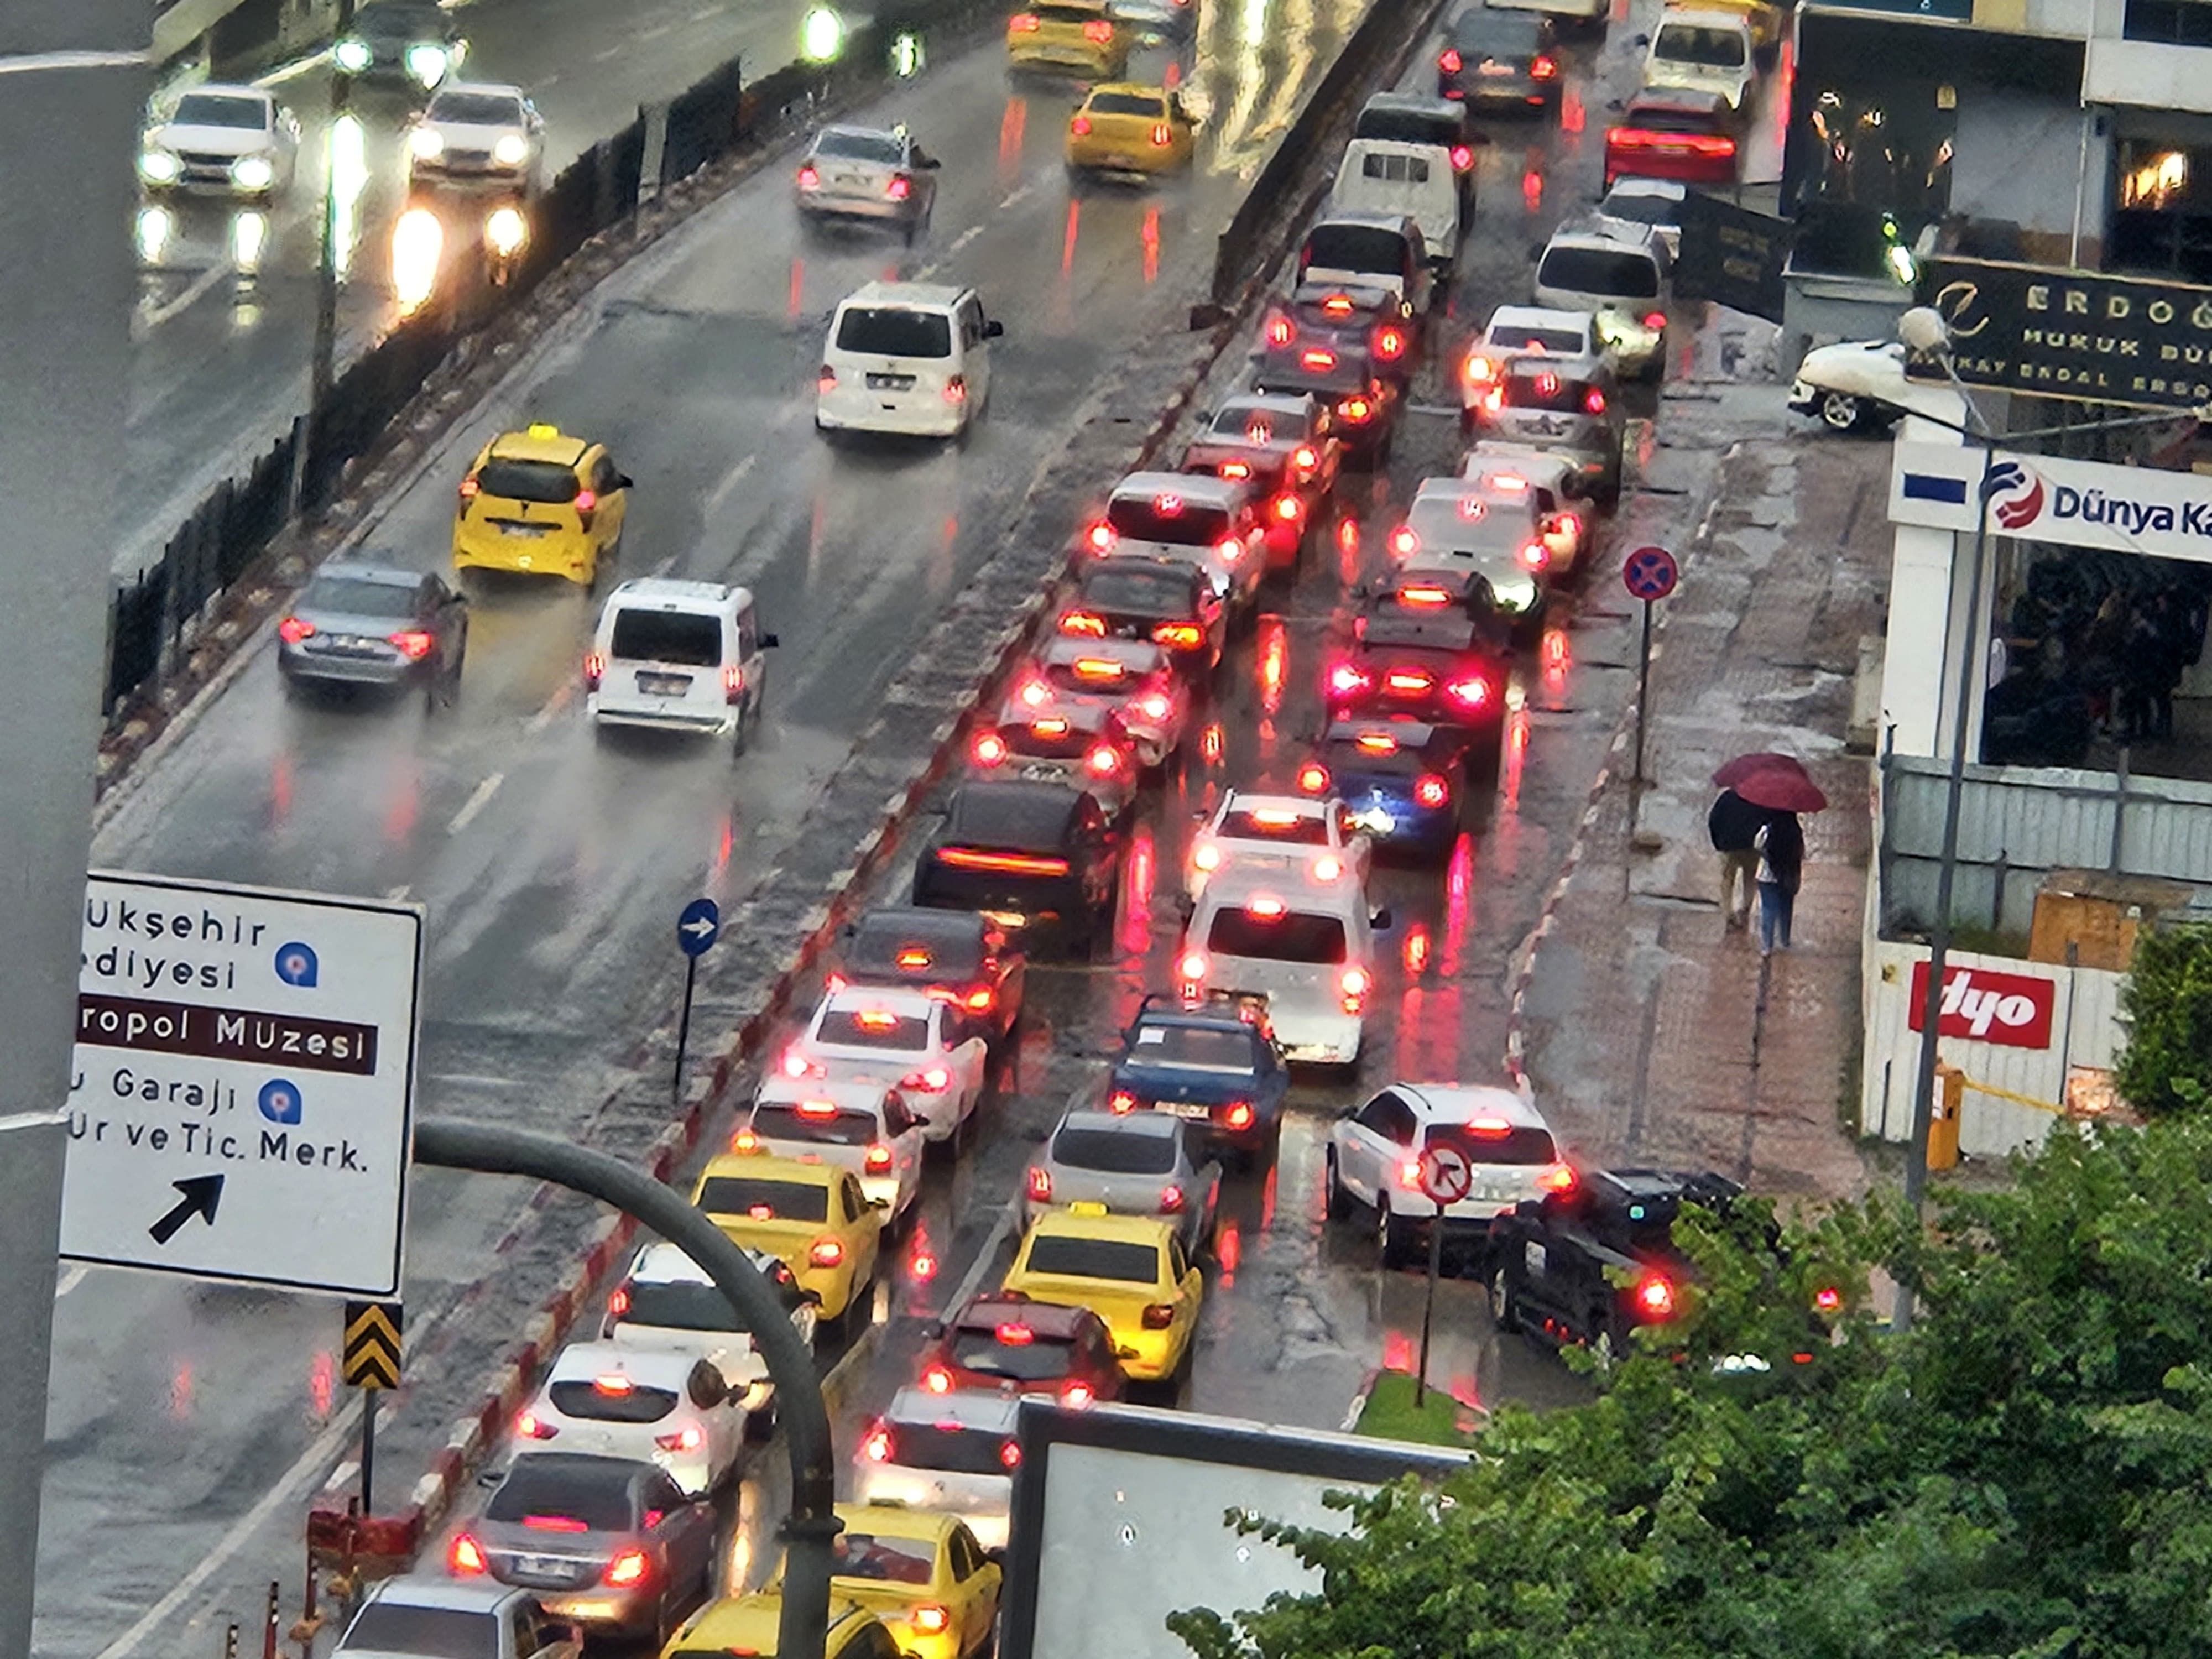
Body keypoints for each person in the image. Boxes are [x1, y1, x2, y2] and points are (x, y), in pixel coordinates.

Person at [1708, 787, 1764, 930]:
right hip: (1750, 846)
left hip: (1728, 846)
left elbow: (1714, 819)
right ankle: (1745, 909)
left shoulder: (1727, 798)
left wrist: (1718, 842)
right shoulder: (1759, 799)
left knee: (1728, 880)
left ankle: (1729, 913)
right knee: (1749, 877)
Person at [1752, 811, 1803, 958]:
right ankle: (1785, 940)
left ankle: (1767, 946)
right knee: (1786, 908)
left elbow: (1757, 846)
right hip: (1788, 875)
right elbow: (1801, 853)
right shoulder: (1796, 831)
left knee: (1768, 909)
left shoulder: (1767, 830)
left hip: (1767, 875)